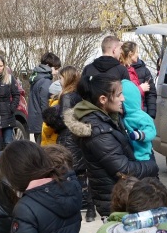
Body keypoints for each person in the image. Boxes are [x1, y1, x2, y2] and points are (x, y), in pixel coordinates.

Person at [68, 75, 159, 217]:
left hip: (123, 196)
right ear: (103, 99)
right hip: (117, 202)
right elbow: (123, 170)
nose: (123, 99)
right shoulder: (98, 131)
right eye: (119, 95)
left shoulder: (109, 118)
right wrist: (152, 165)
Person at [50, 67, 97, 222]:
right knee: (84, 174)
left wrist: (50, 118)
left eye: (61, 77)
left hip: (68, 139)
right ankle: (90, 209)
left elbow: (63, 120)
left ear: (68, 78)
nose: (59, 80)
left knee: (68, 175)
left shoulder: (67, 96)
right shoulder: (81, 94)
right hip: (80, 138)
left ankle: (72, 209)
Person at [29, 52, 60, 143]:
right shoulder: (46, 82)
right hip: (42, 124)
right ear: (47, 66)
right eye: (55, 68)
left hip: (35, 122)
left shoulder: (36, 78)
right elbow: (45, 105)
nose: (57, 71)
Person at [121, 80, 156, 161]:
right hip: (128, 154)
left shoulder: (142, 117)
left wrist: (140, 135)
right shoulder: (122, 116)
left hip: (142, 154)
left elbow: (151, 131)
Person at [119, 41, 156, 117]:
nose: (138, 55)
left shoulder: (142, 69)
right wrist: (140, 89)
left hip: (141, 112)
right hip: (128, 114)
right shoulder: (120, 70)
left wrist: (151, 114)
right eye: (136, 52)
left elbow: (151, 93)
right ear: (130, 54)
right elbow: (123, 94)